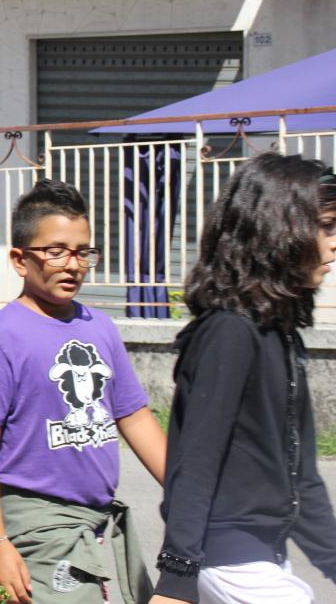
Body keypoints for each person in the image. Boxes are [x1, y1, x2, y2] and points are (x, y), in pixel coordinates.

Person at [0, 180, 165, 604]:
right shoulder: (1, 337)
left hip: (92, 519)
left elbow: (133, 416)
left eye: (83, 252)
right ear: (20, 260)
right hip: (37, 522)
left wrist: (186, 489)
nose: (73, 265)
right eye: (56, 251)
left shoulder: (100, 327)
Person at [151, 153, 336, 604]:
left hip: (263, 557)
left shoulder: (280, 333)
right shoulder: (229, 333)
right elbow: (196, 461)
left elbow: (301, 476)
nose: (334, 244)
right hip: (229, 561)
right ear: (282, 230)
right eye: (328, 227)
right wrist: (176, 579)